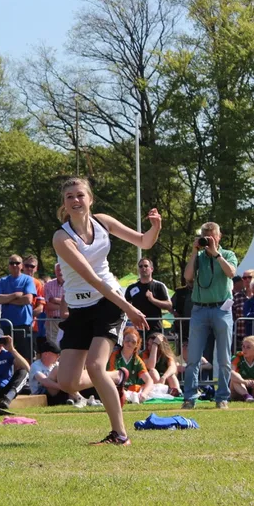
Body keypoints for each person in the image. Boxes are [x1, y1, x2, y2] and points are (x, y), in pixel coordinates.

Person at [52, 177, 160, 445]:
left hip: (108, 303)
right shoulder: (61, 237)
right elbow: (90, 278)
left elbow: (145, 242)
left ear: (90, 199)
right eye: (69, 197)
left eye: (80, 195)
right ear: (64, 204)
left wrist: (155, 227)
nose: (75, 201)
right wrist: (132, 308)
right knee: (66, 382)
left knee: (95, 365)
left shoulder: (103, 221)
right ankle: (118, 375)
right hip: (79, 308)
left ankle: (120, 435)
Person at [182, 222, 238, 410]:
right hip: (199, 309)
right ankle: (189, 397)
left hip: (222, 309)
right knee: (193, 358)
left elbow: (231, 273)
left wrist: (216, 254)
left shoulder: (228, 254)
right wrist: (193, 252)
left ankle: (222, 397)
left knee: (223, 358)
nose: (208, 239)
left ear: (219, 236)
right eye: (205, 235)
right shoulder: (198, 256)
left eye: (211, 235)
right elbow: (188, 276)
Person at [0, 255, 37, 360]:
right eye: (12, 263)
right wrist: (15, 295)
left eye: (17, 263)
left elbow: (28, 300)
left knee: (25, 356)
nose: (14, 265)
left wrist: (7, 300)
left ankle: (26, 375)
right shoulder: (3, 281)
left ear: (22, 266)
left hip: (23, 324)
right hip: (6, 324)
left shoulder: (28, 280)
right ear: (8, 266)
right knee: (6, 355)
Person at [124, 257, 172, 336]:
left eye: (146, 266)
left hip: (155, 328)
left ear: (151, 269)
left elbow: (169, 305)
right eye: (141, 266)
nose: (143, 268)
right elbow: (125, 305)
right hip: (137, 328)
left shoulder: (159, 286)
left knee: (154, 347)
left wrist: (152, 300)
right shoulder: (131, 288)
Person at [29, 339, 85, 407]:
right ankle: (79, 398)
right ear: (46, 354)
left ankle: (73, 399)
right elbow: (44, 381)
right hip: (41, 393)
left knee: (66, 369)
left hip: (57, 393)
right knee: (58, 369)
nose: (58, 357)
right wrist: (65, 387)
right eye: (56, 355)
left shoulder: (55, 364)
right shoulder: (36, 365)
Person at [108, 328, 154, 403]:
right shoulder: (114, 356)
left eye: (133, 342)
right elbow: (111, 379)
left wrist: (144, 394)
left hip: (133, 391)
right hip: (117, 389)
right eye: (127, 340)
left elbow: (149, 380)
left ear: (137, 345)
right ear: (122, 341)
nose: (129, 343)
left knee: (158, 387)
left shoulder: (137, 360)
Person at [22, 255, 46, 337]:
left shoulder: (37, 284)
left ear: (36, 268)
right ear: (22, 266)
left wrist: (26, 316)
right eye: (26, 265)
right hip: (11, 324)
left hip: (30, 325)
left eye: (32, 266)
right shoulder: (12, 280)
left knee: (29, 349)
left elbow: (40, 308)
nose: (29, 268)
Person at [232, 269, 254, 347]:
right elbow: (232, 314)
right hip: (240, 336)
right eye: (244, 278)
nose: (246, 280)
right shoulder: (237, 296)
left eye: (249, 277)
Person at [43, 264, 65, 345]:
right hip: (52, 321)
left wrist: (55, 300)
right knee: (52, 346)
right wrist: (64, 305)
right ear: (55, 272)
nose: (60, 272)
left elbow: (72, 304)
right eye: (58, 270)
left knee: (67, 346)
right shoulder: (48, 285)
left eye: (62, 269)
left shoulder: (71, 284)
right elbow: (47, 306)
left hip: (67, 320)